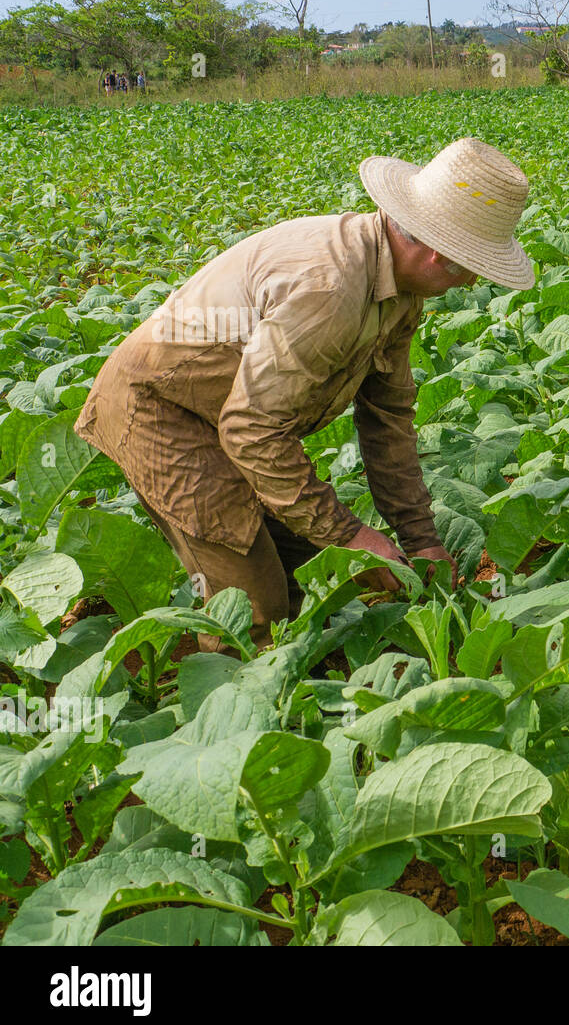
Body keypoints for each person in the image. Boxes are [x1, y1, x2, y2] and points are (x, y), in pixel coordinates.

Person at [74, 138, 536, 648]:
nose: (470, 278)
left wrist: (421, 539)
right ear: (433, 249)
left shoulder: (404, 293)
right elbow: (251, 430)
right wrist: (351, 536)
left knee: (310, 573)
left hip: (236, 420)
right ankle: (231, 707)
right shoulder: (330, 286)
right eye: (467, 263)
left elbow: (389, 422)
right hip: (164, 412)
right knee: (255, 611)